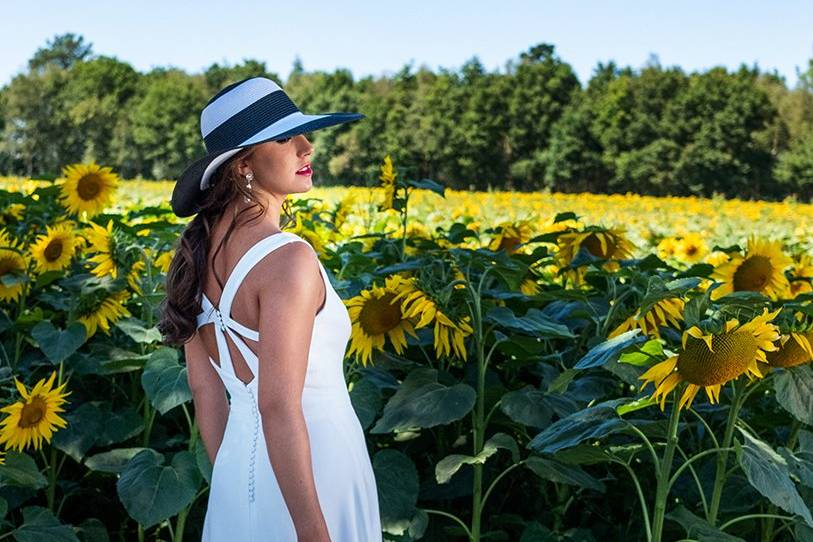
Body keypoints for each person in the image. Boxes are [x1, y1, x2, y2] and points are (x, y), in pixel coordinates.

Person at [158, 77, 382, 541]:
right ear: (243, 165)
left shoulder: (196, 257)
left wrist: (238, 484)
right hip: (317, 478)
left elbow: (206, 392)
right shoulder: (289, 259)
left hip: (237, 478)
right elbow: (278, 405)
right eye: (284, 137)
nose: (307, 147)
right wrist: (312, 531)